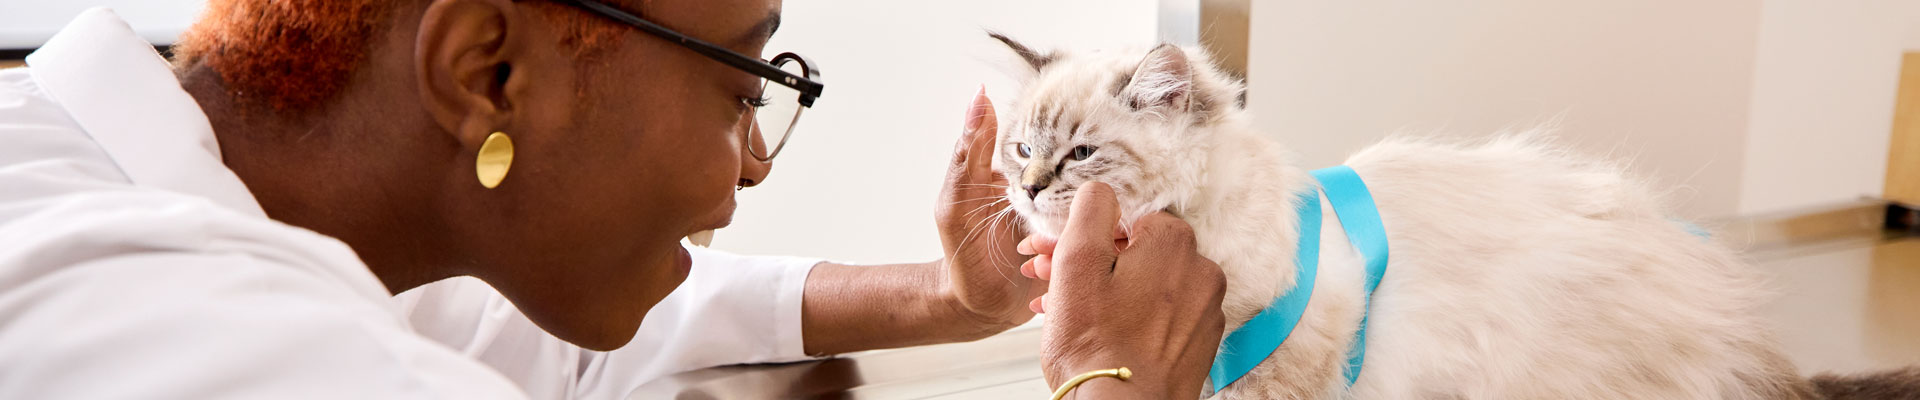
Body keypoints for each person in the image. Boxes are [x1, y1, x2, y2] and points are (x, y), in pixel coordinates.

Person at [0, 0, 1226, 398]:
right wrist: (1107, 381)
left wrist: (955, 300)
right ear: (488, 72)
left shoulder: (180, 196)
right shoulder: (171, 322)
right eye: (744, 84)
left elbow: (579, 345)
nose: (753, 159)